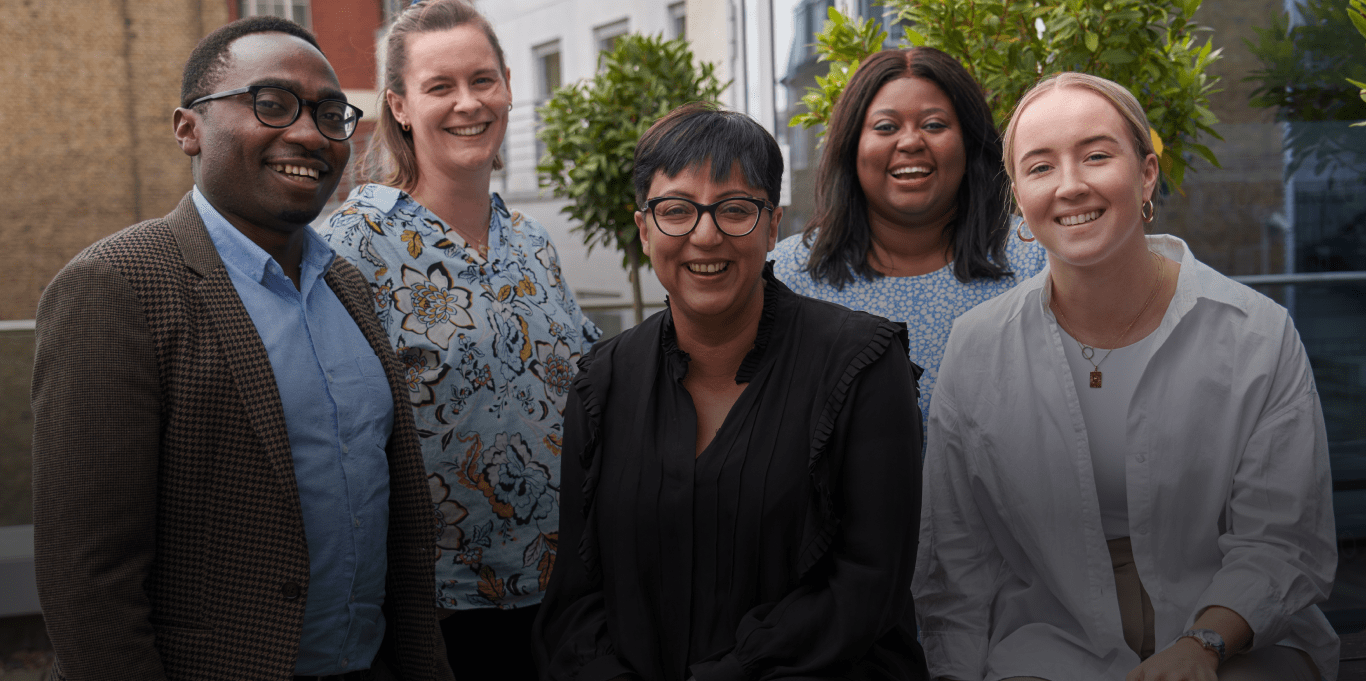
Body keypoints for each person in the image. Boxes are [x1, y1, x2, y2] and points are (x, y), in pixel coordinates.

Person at [30, 16, 453, 681]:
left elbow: (393, 515)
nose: (310, 134)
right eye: (272, 103)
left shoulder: (347, 285)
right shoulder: (114, 286)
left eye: (330, 113)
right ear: (188, 127)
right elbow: (87, 581)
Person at [912, 72, 1338, 681]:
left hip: (1238, 638)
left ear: (1145, 175)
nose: (1070, 185)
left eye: (1096, 155)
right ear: (1019, 202)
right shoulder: (977, 348)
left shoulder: (1256, 335)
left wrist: (1203, 645)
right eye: (1040, 167)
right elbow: (957, 562)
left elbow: (1283, 542)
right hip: (1048, 643)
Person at [534, 103, 930, 681]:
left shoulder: (862, 367)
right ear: (644, 229)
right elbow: (574, 595)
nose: (705, 234)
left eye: (735, 209)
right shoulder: (602, 383)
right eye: (676, 211)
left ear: (773, 226)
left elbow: (869, 583)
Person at [321, 1, 599, 678]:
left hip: (564, 602)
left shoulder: (532, 241)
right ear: (400, 106)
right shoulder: (349, 247)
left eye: (482, 80)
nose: (467, 103)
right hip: (435, 618)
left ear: (507, 82)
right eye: (439, 86)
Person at [770, 47, 1046, 433]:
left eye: (934, 125)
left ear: (968, 141)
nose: (911, 142)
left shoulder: (1035, 264)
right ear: (852, 146)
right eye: (886, 127)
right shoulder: (788, 277)